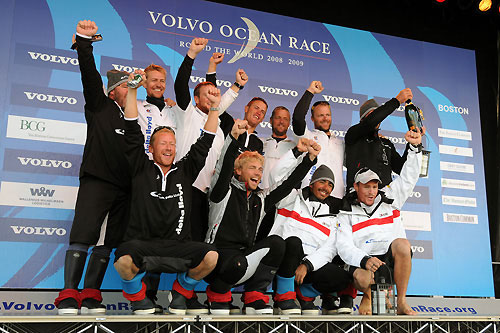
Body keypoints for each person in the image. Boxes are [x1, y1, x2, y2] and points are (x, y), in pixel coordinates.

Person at [112, 70, 220, 315]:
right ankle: (138, 297)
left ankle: (180, 292)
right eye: (163, 143)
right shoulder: (141, 166)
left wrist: (214, 108)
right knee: (123, 261)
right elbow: (131, 127)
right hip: (143, 245)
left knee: (211, 256)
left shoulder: (186, 170)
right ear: (150, 148)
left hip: (177, 246)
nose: (169, 147)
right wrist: (132, 90)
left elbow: (206, 140)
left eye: (172, 143)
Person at [54, 20, 131, 315]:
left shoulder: (136, 116)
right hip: (97, 181)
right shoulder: (100, 105)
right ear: (113, 92)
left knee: (107, 241)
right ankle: (68, 294)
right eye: (125, 85)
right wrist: (84, 43)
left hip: (125, 189)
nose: (129, 88)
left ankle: (90, 294)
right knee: (84, 234)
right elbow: (89, 74)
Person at [204, 127, 321, 315]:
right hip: (218, 258)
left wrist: (308, 159)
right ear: (238, 171)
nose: (258, 173)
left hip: (244, 257)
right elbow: (223, 168)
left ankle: (254, 296)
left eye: (260, 169)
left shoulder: (261, 198)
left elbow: (288, 183)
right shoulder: (222, 191)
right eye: (252, 167)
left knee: (277, 243)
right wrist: (233, 138)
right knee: (237, 263)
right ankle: (217, 293)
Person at [336, 129, 423, 315]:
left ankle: (401, 302)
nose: (371, 192)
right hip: (364, 264)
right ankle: (368, 295)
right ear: (356, 187)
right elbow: (343, 246)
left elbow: (409, 177)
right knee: (361, 277)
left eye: (374, 187)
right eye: (366, 187)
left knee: (403, 245)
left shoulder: (391, 198)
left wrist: (415, 148)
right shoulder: (346, 210)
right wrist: (365, 260)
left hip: (388, 262)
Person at [174, 38, 248, 242]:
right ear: (195, 99)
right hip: (183, 188)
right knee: (174, 240)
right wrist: (191, 55)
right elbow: (181, 84)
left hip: (207, 194)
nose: (212, 97)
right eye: (206, 95)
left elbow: (218, 102)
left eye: (214, 95)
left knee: (197, 243)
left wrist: (236, 86)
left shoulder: (215, 122)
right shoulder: (187, 113)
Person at [267, 160, 351, 315]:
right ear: (311, 184)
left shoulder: (333, 217)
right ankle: (284, 295)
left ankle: (305, 294)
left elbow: (329, 249)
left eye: (330, 185)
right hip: (284, 261)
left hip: (308, 266)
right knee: (294, 242)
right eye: (322, 182)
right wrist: (297, 154)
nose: (326, 188)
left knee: (343, 278)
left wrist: (307, 265)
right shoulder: (291, 199)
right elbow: (275, 175)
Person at [345, 88, 420, 189]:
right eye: (372, 114)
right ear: (363, 118)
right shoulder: (353, 135)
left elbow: (402, 169)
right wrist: (397, 101)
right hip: (358, 201)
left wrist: (411, 144)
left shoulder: (386, 143)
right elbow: (370, 122)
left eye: (377, 113)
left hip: (383, 202)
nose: (377, 118)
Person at [292, 81, 344, 199]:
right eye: (320, 115)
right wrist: (310, 92)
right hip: (309, 198)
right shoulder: (307, 136)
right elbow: (298, 118)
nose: (325, 118)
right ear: (312, 118)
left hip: (336, 201)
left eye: (327, 115)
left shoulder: (341, 143)